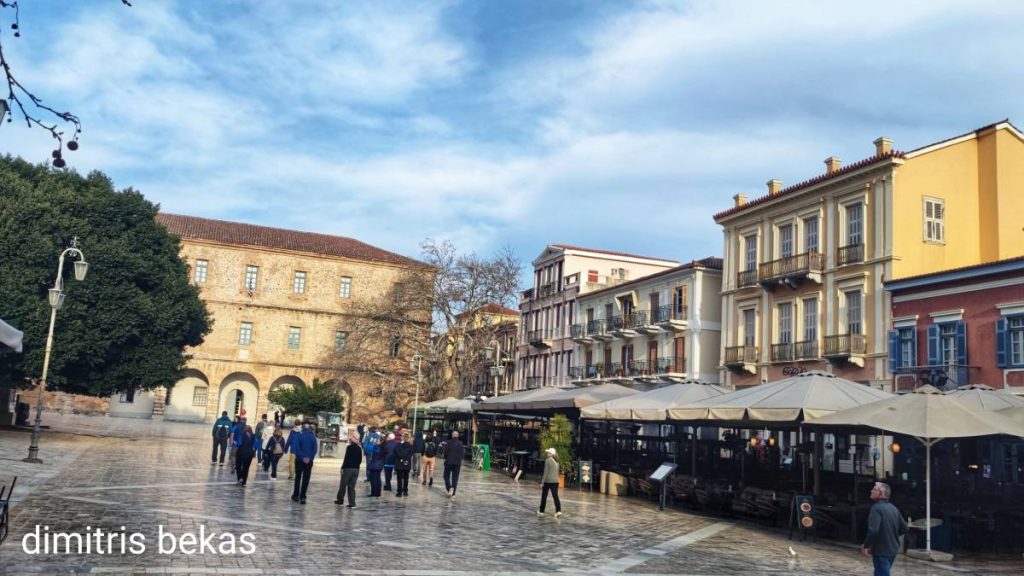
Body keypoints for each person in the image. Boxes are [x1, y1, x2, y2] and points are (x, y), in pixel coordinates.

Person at [863, 482, 907, 576]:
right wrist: (891, 535)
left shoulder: (876, 508)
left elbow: (873, 530)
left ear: (882, 493)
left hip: (881, 549)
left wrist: (866, 545)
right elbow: (904, 528)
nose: (871, 491)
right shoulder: (894, 509)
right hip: (892, 549)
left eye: (875, 489)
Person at [290, 421, 318, 504]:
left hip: (299, 460)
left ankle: (296, 495)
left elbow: (296, 447)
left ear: (302, 427)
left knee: (298, 478)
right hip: (309, 461)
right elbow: (315, 449)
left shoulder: (298, 435)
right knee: (306, 479)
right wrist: (309, 457)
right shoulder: (312, 437)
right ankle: (303, 497)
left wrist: (302, 457)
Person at [335, 431, 363, 507]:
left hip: (348, 469)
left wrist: (342, 467)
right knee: (352, 487)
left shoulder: (349, 447)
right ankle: (352, 503)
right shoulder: (359, 449)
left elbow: (346, 459)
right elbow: (360, 460)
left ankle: (340, 500)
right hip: (356, 470)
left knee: (343, 485)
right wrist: (356, 466)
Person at [538, 447, 562, 517]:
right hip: (555, 481)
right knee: (555, 496)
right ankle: (558, 511)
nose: (547, 453)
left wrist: (542, 482)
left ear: (551, 454)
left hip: (548, 481)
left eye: (548, 452)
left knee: (544, 496)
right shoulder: (557, 461)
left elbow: (545, 472)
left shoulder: (547, 460)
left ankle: (541, 511)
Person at [443, 431, 463, 499]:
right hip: (457, 463)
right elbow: (462, 454)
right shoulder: (461, 444)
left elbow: (445, 453)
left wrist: (445, 457)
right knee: (455, 478)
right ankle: (453, 494)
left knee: (446, 476)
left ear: (452, 436)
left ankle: (449, 488)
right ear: (458, 436)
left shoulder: (449, 443)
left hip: (449, 462)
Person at [394, 432, 414, 497]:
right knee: (406, 478)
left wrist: (401, 458)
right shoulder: (411, 446)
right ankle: (405, 491)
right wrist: (405, 459)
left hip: (399, 463)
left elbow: (396, 452)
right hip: (407, 463)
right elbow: (410, 454)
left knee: (399, 478)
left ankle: (399, 492)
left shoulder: (398, 445)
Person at [365, 431, 384, 497]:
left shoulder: (376, 447)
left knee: (373, 480)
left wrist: (371, 441)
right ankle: (378, 493)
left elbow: (368, 448)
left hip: (374, 465)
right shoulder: (382, 447)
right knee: (378, 479)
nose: (376, 441)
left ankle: (374, 493)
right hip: (380, 465)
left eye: (377, 440)